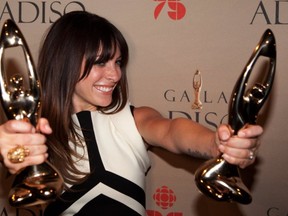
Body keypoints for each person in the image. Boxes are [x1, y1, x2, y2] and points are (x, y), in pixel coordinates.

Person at [0, 11, 263, 215]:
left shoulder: (132, 120)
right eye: (100, 62)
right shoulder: (35, 135)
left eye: (118, 62)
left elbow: (173, 130)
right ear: (64, 63)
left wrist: (216, 144)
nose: (115, 74)